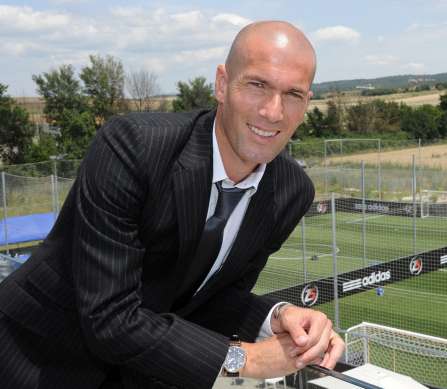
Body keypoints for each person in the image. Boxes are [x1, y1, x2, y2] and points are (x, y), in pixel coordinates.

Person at [0, 20, 344, 389]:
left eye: (293, 94)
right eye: (258, 85)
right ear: (223, 84)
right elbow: (110, 318)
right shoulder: (133, 147)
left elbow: (214, 299)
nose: (273, 112)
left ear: (307, 103)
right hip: (34, 360)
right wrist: (246, 359)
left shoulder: (291, 192)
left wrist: (277, 317)